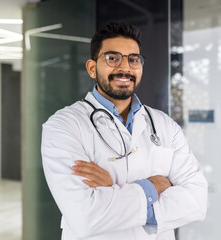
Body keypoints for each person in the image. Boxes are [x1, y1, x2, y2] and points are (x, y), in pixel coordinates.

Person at [41, 22, 207, 240]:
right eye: (112, 58)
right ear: (92, 68)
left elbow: (196, 200)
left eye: (133, 59)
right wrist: (152, 187)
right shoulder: (64, 126)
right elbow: (85, 216)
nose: (125, 68)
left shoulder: (164, 125)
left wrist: (113, 190)